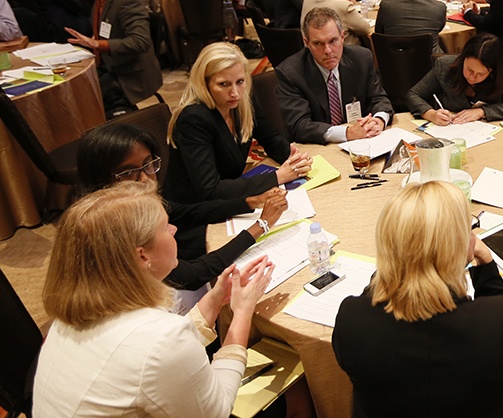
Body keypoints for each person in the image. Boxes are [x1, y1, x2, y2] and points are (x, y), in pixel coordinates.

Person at [33, 181, 274, 417]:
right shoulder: (162, 338)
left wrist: (215, 298)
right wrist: (242, 312)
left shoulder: (70, 317)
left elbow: (157, 359)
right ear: (142, 255)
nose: (174, 230)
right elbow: (217, 410)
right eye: (165, 227)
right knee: (288, 400)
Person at [332, 181, 503, 418]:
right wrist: (486, 264)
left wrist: (395, 265)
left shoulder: (352, 319)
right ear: (457, 245)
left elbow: (375, 295)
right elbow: (501, 329)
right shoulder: (502, 319)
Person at [77, 121, 287, 293]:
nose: (145, 179)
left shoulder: (132, 201)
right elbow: (191, 276)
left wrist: (250, 202)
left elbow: (181, 211)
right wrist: (261, 225)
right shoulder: (111, 225)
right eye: (127, 173)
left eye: (148, 164)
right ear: (101, 181)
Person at [164, 42, 312, 259]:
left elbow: (269, 137)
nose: (234, 92)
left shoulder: (242, 98)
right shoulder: (194, 118)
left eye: (240, 81)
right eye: (223, 84)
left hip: (233, 200)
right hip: (196, 217)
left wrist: (293, 158)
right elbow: (209, 191)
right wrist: (278, 176)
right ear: (204, 83)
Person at [275, 7, 394, 144]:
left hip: (361, 143)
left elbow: (379, 98)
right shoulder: (290, 73)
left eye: (333, 41)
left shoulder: (361, 58)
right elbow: (299, 125)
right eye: (318, 43)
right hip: (316, 148)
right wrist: (346, 133)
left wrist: (378, 120)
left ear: (342, 37)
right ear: (307, 43)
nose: (328, 50)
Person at [64, 0, 163, 118]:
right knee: (75, 88)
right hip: (110, 66)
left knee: (87, 97)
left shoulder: (125, 0)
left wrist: (98, 44)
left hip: (129, 73)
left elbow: (140, 41)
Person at [406, 33, 503, 125]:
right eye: (469, 70)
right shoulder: (445, 66)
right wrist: (430, 114)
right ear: (463, 59)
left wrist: (482, 111)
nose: (473, 77)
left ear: (493, 70)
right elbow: (413, 94)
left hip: (490, 133)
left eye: (481, 74)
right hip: (450, 131)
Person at [375, 0, 447, 53]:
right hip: (431, 63)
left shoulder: (386, 6)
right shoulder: (439, 7)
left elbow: (379, 33)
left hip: (394, 62)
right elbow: (439, 28)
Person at [301, 0, 370, 46]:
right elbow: (365, 29)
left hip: (312, 52)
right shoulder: (344, 6)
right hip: (342, 54)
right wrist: (349, 4)